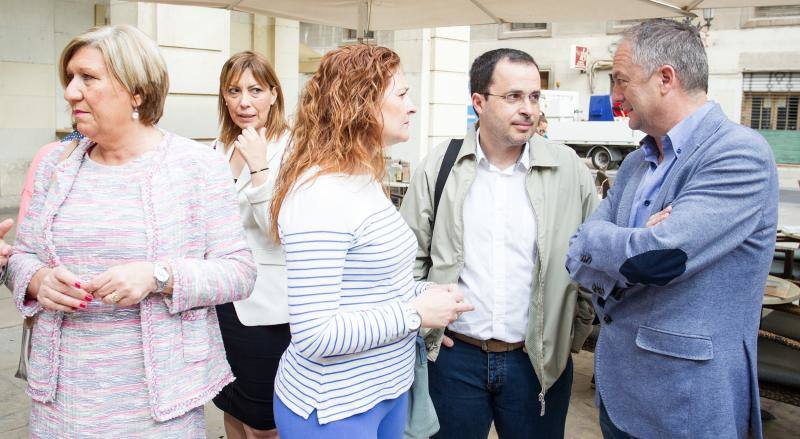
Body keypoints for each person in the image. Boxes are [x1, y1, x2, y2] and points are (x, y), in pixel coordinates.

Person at [3, 25, 257, 437]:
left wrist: (159, 276)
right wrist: (37, 280)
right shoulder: (55, 165)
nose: (70, 92)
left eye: (88, 78)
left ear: (137, 92)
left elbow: (239, 273)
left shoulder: (197, 166)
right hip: (62, 400)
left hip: (161, 405)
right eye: (70, 77)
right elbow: (21, 258)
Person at [566, 19, 778, 439]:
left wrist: (618, 241)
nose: (614, 96)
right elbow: (577, 252)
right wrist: (632, 239)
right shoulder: (635, 162)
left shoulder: (738, 153)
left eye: (621, 80)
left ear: (665, 79)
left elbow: (658, 258)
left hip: (686, 402)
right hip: (620, 394)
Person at [268, 44, 474, 438]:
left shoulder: (361, 178)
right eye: (402, 94)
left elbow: (371, 287)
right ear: (360, 103)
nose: (412, 107)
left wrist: (427, 294)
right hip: (334, 409)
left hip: (386, 393)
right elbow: (314, 334)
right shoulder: (320, 194)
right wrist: (415, 313)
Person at [400, 48, 598, 439]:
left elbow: (590, 260)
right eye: (513, 97)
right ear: (479, 102)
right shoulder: (441, 165)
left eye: (535, 96)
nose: (529, 109)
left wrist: (568, 338)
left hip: (537, 363)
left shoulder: (568, 169)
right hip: (454, 360)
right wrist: (424, 330)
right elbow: (410, 258)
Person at [210, 51, 291, 439]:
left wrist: (259, 167)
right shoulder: (220, 147)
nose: (244, 102)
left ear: (273, 94)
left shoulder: (293, 148)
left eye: (255, 90)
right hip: (219, 300)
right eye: (234, 91)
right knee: (230, 403)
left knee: (263, 422)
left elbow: (280, 231)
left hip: (266, 308)